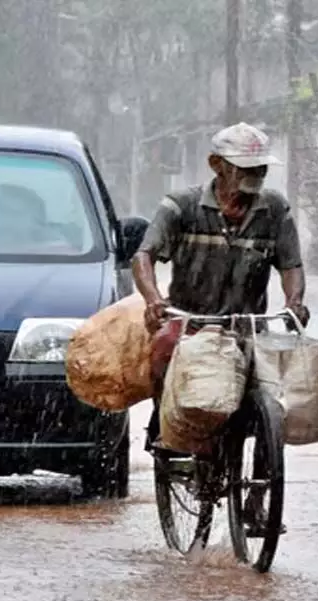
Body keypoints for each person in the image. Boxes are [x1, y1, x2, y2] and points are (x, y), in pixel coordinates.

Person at [131, 122, 308, 532]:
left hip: (247, 326)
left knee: (273, 406)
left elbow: (291, 265)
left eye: (260, 168)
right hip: (191, 324)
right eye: (244, 167)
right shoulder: (181, 207)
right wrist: (154, 300)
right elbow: (144, 256)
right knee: (161, 354)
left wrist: (295, 301)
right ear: (216, 165)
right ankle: (169, 434)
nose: (255, 176)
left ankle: (257, 501)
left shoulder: (274, 211)